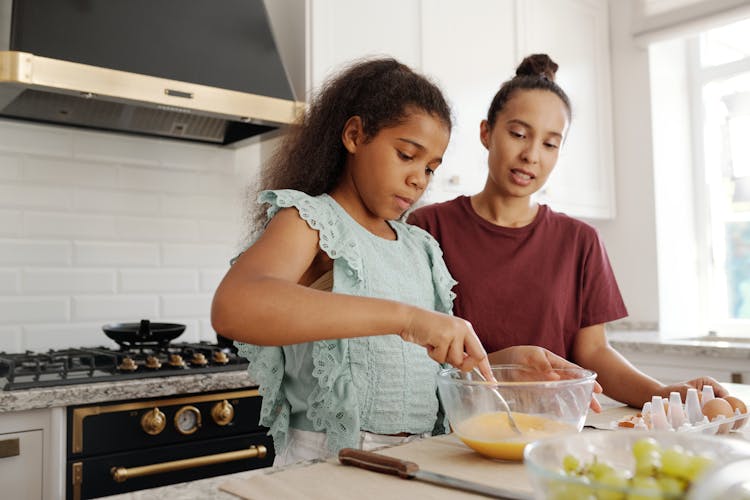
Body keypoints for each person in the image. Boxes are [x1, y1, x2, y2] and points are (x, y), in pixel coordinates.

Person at [211, 58, 581, 466]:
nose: (419, 179)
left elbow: (410, 367)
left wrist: (505, 363)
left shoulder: (419, 246)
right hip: (328, 464)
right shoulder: (311, 221)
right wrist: (407, 318)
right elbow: (234, 306)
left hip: (415, 460)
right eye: (407, 155)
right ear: (354, 135)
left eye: (430, 167)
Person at [408, 54, 727, 408]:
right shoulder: (428, 227)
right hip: (457, 427)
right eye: (518, 134)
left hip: (555, 422)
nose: (531, 155)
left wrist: (663, 394)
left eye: (550, 143)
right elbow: (409, 353)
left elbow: (593, 353)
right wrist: (507, 367)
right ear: (487, 133)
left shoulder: (580, 241)